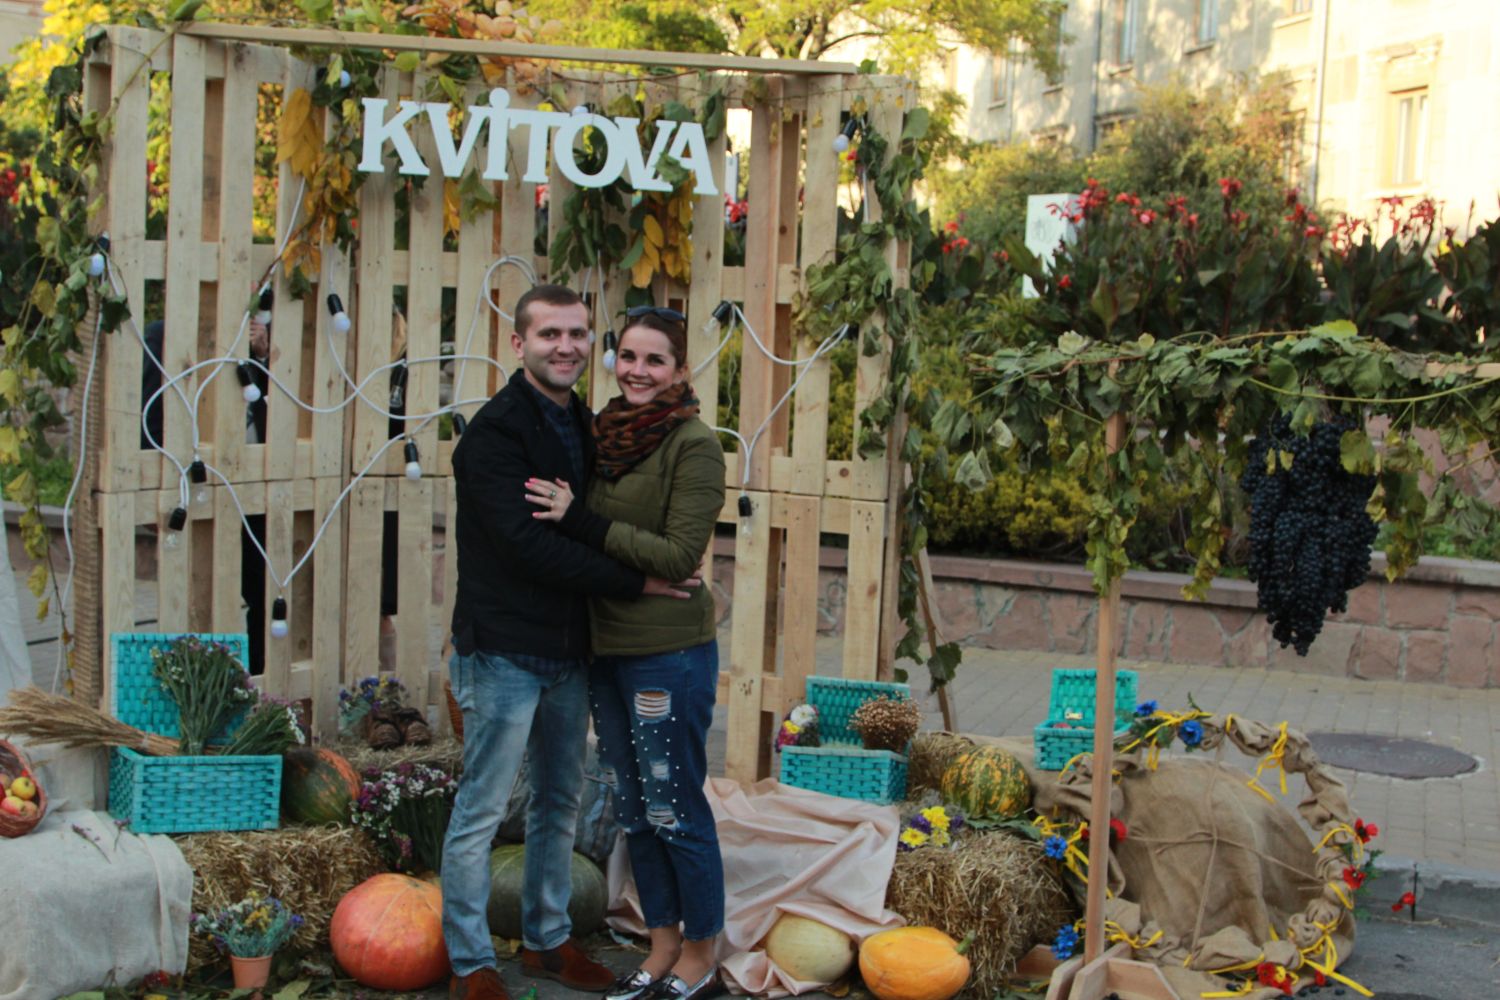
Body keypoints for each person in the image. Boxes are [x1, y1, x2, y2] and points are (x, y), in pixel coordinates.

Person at [443, 285, 697, 1000]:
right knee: (481, 812)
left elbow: (589, 518)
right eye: (549, 333)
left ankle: (547, 941)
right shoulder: (494, 434)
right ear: (518, 343)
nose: (566, 347)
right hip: (503, 649)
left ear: (592, 344)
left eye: (578, 334)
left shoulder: (582, 423)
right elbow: (528, 547)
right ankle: (470, 964)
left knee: (559, 804)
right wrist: (637, 581)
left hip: (568, 650)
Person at [525, 305, 728, 1000]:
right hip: (606, 649)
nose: (638, 371)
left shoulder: (694, 445)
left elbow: (677, 554)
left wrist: (581, 519)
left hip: (667, 653)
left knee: (676, 807)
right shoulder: (604, 434)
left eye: (655, 360)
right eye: (630, 357)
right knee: (635, 810)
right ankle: (662, 944)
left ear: (680, 370)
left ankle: (702, 951)